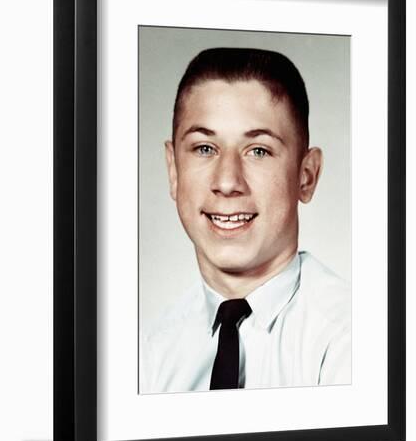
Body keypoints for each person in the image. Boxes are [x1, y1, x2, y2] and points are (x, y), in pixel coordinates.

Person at [140, 47, 351, 394]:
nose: (227, 182)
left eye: (259, 151)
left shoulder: (352, 341)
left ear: (306, 176)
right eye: (205, 148)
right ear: (173, 170)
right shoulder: (148, 355)